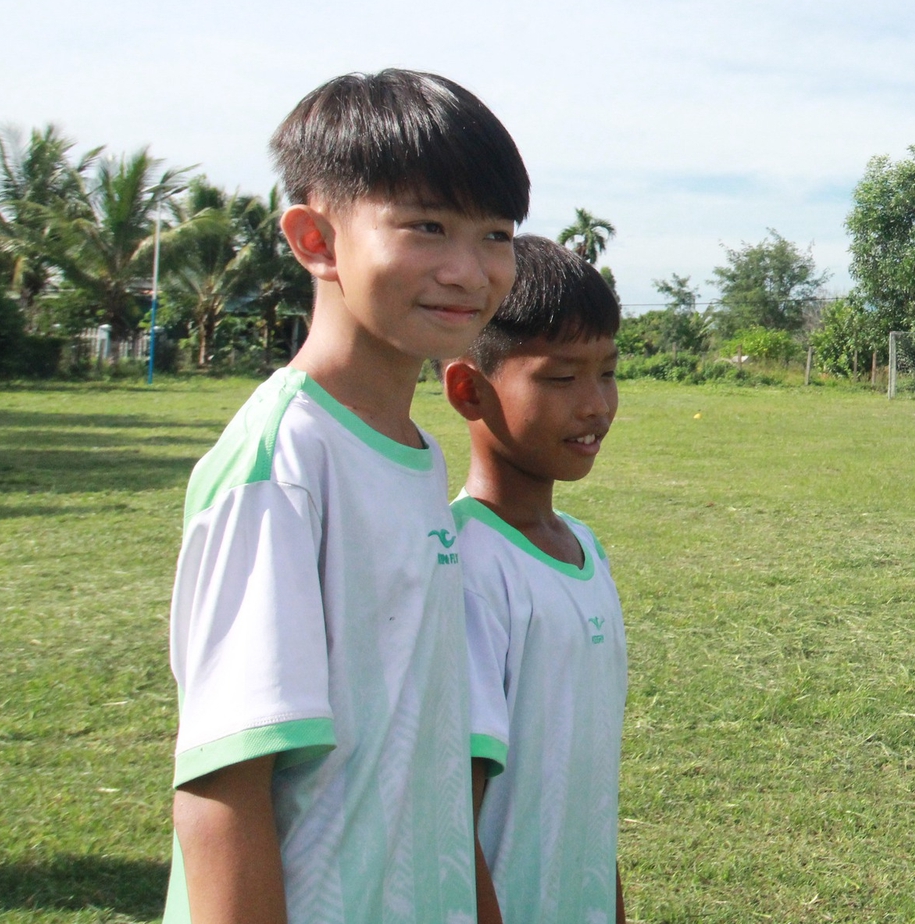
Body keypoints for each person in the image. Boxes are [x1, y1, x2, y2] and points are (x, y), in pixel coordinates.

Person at [164, 70, 527, 924]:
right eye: (427, 226)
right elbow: (225, 780)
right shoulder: (282, 460)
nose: (469, 270)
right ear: (314, 240)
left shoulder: (413, 452)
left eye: (497, 233)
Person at [439, 236, 628, 924]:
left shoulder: (587, 550)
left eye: (607, 372)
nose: (595, 405)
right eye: (560, 378)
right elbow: (452, 823)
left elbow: (585, 793)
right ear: (469, 389)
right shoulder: (463, 566)